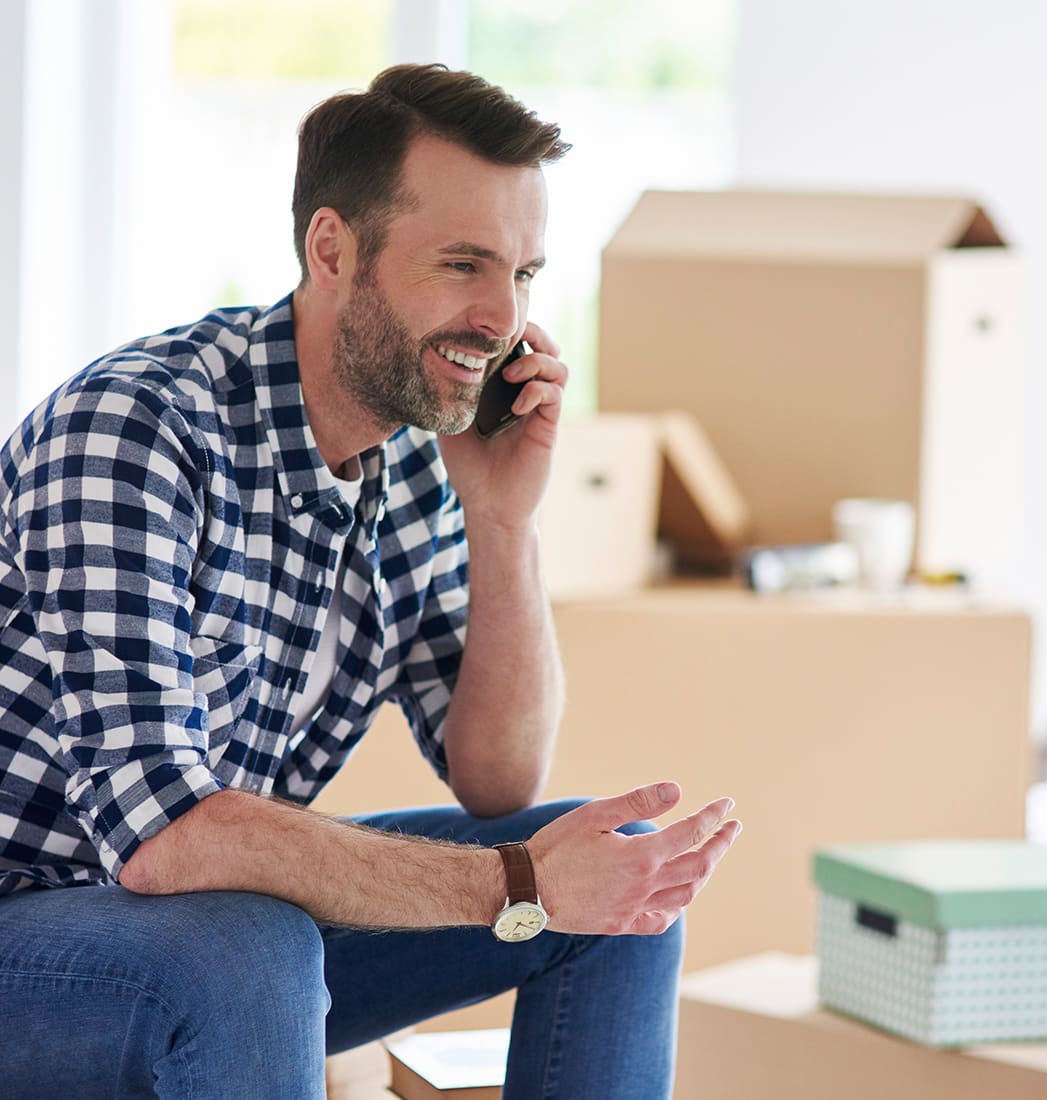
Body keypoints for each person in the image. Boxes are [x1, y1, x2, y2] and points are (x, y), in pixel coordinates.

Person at [0, 63, 741, 1098]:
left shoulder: (411, 469)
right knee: (246, 941)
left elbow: (497, 777)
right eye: (464, 265)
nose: (502, 317)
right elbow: (163, 838)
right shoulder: (138, 429)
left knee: (618, 883)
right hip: (34, 932)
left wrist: (502, 519)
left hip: (210, 936)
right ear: (333, 249)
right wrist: (520, 880)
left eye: (525, 274)